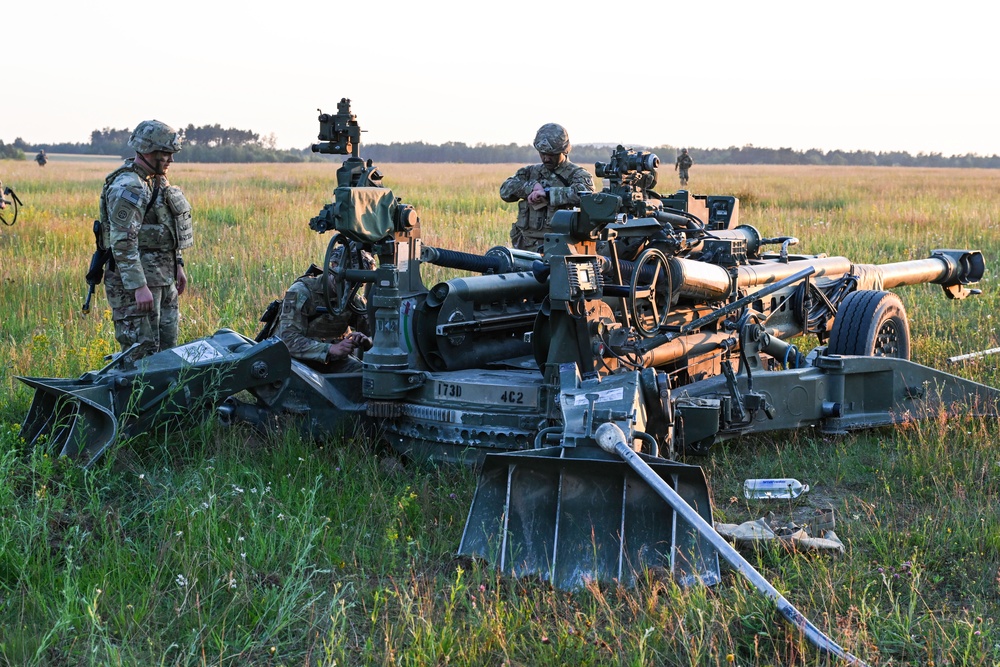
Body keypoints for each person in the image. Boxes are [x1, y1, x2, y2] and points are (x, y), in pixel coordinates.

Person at [100, 120, 192, 364]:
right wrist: (139, 286)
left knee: (166, 354)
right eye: (167, 153)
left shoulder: (156, 181)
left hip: (163, 280)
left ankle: (163, 403)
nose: (171, 159)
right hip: (138, 287)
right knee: (140, 357)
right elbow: (122, 241)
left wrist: (178, 266)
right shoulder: (128, 187)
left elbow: (168, 228)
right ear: (150, 151)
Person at [270, 244, 375, 373]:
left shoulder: (353, 300)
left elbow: (374, 335)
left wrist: (365, 341)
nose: (349, 287)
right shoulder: (302, 292)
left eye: (355, 284)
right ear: (333, 266)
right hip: (295, 362)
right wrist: (331, 349)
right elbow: (287, 340)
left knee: (365, 376)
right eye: (346, 280)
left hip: (333, 361)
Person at [500, 123, 594, 252]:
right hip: (527, 249)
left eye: (552, 154)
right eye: (542, 153)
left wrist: (548, 194)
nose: (546, 158)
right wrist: (531, 187)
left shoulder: (577, 174)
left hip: (563, 249)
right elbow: (505, 190)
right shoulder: (530, 172)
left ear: (564, 150)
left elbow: (586, 194)